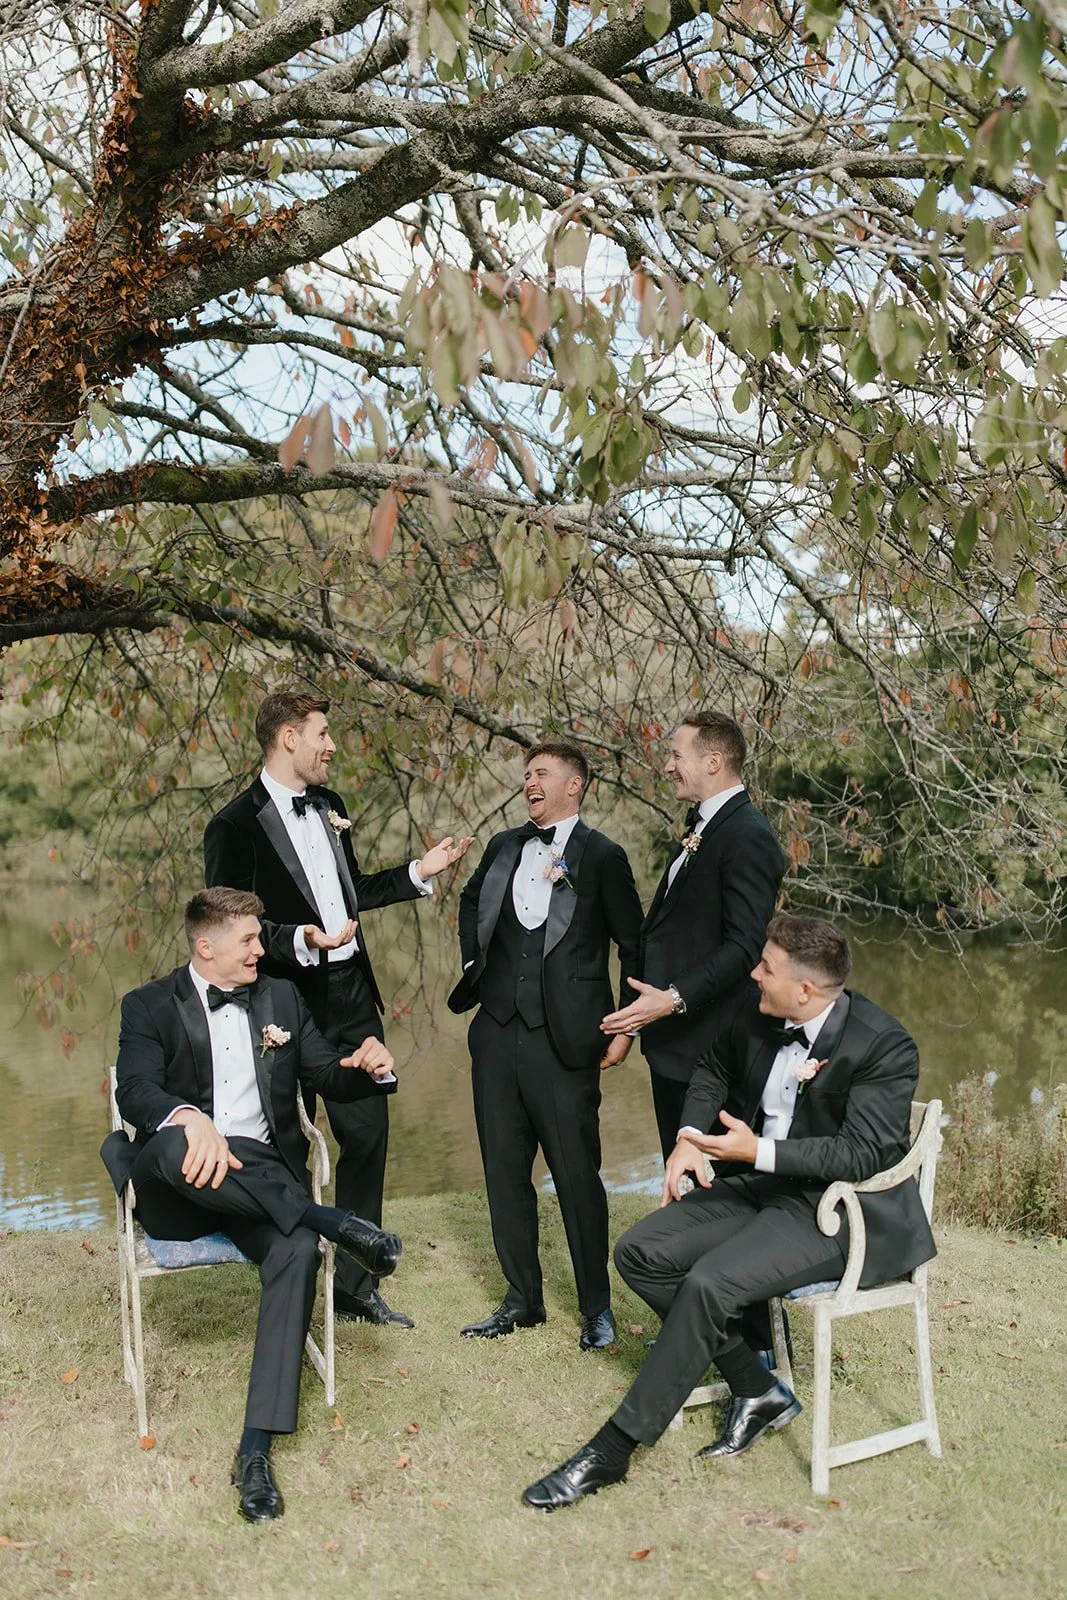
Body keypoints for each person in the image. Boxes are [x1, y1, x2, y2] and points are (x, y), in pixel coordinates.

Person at [522, 914, 937, 1509]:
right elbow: (713, 1068)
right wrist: (690, 1136)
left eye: (766, 968)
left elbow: (863, 1153)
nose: (753, 974)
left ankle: (611, 1451)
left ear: (805, 991)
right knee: (640, 1253)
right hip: (764, 1190)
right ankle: (757, 1387)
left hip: (842, 1213)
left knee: (710, 1282)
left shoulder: (884, 1043)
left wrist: (757, 1149)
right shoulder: (762, 1011)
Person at [100, 888, 403, 1523]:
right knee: (169, 1147)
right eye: (250, 940)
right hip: (178, 1187)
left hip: (262, 1185)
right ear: (205, 947)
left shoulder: (281, 998)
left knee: (295, 1249)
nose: (262, 949)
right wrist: (190, 1122)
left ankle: (255, 1450)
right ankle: (333, 1222)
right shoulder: (149, 1004)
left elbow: (323, 1072)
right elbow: (134, 1091)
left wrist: (365, 1067)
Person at [203, 689, 472, 1328]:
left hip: (352, 994)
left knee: (369, 1132)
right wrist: (299, 941)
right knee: (289, 1143)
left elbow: (349, 897)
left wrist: (417, 872)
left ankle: (355, 1284)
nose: (331, 746)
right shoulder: (233, 826)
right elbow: (227, 923)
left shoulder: (333, 808)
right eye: (322, 734)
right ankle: (293, 1275)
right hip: (283, 1002)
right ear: (288, 738)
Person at [448, 742, 644, 1349]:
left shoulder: (605, 857)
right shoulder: (505, 846)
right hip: (497, 1034)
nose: (530, 783)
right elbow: (469, 903)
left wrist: (626, 1026)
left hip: (568, 1042)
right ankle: (521, 1299)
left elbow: (633, 947)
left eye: (542, 774)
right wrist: (479, 968)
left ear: (574, 785)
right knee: (505, 1172)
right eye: (526, 774)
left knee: (577, 1175)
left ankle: (595, 1308)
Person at [600, 710, 785, 1163]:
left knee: (711, 1191)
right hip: (676, 1047)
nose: (668, 766)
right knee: (682, 1179)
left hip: (713, 1053)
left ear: (713, 761)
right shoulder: (705, 827)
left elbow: (744, 947)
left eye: (675, 755)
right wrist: (638, 1023)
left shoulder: (748, 836)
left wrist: (672, 998)